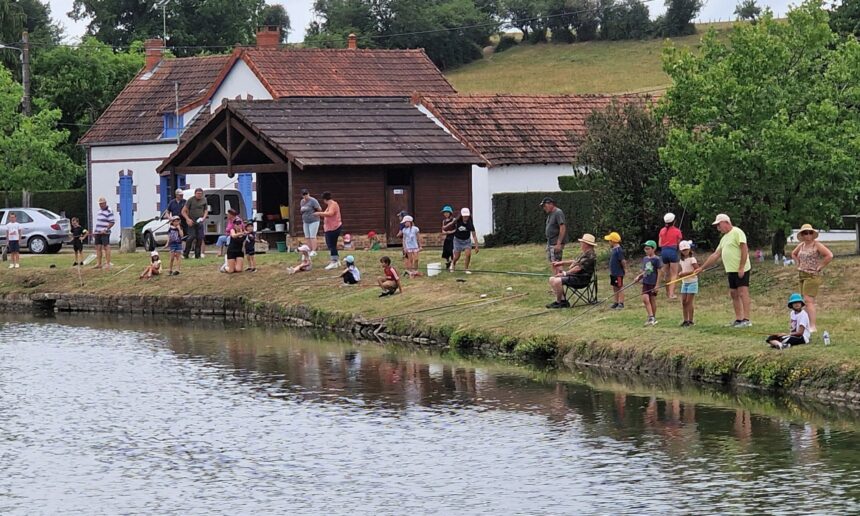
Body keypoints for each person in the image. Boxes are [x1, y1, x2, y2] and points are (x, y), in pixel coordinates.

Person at [695, 213, 752, 328]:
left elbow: (744, 249)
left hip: (741, 269)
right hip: (730, 270)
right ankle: (739, 318)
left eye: (719, 225)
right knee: (733, 293)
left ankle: (746, 319)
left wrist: (741, 267)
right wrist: (702, 268)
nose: (718, 228)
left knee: (742, 292)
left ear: (726, 222)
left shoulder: (737, 232)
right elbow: (716, 254)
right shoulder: (724, 238)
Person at [790, 224, 833, 333]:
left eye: (809, 232)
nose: (808, 235)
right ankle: (805, 324)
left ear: (813, 234)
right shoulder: (801, 245)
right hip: (802, 274)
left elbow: (829, 255)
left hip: (812, 275)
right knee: (803, 300)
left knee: (809, 300)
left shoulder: (816, 245)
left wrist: (820, 266)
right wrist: (798, 264)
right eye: (805, 233)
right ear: (802, 235)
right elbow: (793, 254)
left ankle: (812, 326)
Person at [547, 233, 597, 309]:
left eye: (582, 242)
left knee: (557, 281)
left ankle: (559, 302)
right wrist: (561, 263)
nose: (580, 244)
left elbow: (578, 268)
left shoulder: (590, 256)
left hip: (581, 279)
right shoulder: (585, 253)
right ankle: (563, 301)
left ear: (586, 244)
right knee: (551, 279)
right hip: (576, 276)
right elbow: (574, 261)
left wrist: (564, 273)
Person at [634, 240, 663, 326]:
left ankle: (653, 318)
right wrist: (639, 277)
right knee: (645, 299)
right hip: (645, 282)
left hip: (653, 283)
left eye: (648, 249)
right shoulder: (645, 259)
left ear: (653, 249)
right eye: (645, 249)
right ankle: (651, 317)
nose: (646, 250)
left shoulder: (657, 259)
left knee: (652, 300)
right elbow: (646, 271)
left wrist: (657, 285)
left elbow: (660, 272)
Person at [659, 212, 683, 299]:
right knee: (674, 274)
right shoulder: (677, 231)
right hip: (672, 252)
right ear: (674, 221)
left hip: (663, 252)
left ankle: (667, 292)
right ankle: (671, 294)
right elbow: (678, 244)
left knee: (667, 274)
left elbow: (660, 244)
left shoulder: (662, 230)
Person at [316, 191, 343, 270]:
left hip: (333, 228)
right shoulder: (330, 205)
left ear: (325, 199)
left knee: (331, 245)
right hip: (329, 228)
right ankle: (336, 260)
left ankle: (334, 261)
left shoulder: (333, 204)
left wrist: (319, 213)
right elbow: (326, 213)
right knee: (331, 245)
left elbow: (330, 213)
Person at [541, 197, 567, 274]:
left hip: (555, 243)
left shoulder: (558, 212)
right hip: (550, 243)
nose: (544, 208)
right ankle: (555, 278)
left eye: (545, 206)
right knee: (553, 263)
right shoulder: (550, 214)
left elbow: (562, 227)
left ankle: (559, 280)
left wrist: (558, 243)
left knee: (557, 262)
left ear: (551, 204)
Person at [182, 188, 208, 259]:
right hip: (192, 221)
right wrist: (188, 219)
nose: (199, 195)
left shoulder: (204, 200)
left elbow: (206, 210)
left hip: (199, 221)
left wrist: (204, 218)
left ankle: (197, 255)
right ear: (195, 194)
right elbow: (183, 211)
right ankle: (186, 253)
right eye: (198, 194)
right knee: (191, 237)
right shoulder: (190, 200)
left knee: (200, 238)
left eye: (200, 194)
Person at [677, 240, 699, 327]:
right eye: (683, 250)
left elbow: (696, 271)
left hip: (692, 282)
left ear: (689, 249)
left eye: (686, 249)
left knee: (689, 302)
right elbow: (682, 271)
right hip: (685, 283)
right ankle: (685, 320)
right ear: (680, 251)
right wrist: (680, 274)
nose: (685, 251)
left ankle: (691, 320)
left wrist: (685, 274)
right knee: (683, 302)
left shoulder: (692, 259)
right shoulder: (681, 260)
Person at [450, 208, 478, 272]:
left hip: (466, 241)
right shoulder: (457, 221)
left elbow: (474, 235)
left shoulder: (470, 224)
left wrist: (476, 246)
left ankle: (466, 269)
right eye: (464, 215)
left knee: (468, 254)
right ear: (462, 215)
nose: (466, 217)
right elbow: (451, 224)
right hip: (457, 241)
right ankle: (453, 264)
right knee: (457, 257)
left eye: (467, 216)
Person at [604, 231, 626, 309]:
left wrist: (624, 268)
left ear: (613, 241)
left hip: (618, 273)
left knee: (620, 287)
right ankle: (616, 302)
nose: (608, 242)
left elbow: (622, 261)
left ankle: (621, 302)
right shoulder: (614, 249)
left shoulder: (618, 250)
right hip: (613, 273)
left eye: (609, 241)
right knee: (615, 287)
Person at [93, 196, 115, 269]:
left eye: (102, 203)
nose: (100, 205)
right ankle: (99, 263)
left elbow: (112, 222)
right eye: (99, 204)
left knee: (106, 247)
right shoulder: (99, 211)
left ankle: (108, 263)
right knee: (98, 247)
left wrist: (105, 229)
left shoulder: (109, 211)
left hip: (105, 232)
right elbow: (98, 222)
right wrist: (95, 231)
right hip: (98, 232)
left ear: (105, 203)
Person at [299, 189, 321, 256]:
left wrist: (315, 212)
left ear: (308, 194)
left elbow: (319, 209)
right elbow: (301, 210)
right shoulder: (302, 202)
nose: (306, 196)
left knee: (312, 236)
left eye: (307, 195)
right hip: (305, 221)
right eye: (304, 195)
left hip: (313, 221)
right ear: (302, 196)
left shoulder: (313, 201)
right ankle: (309, 250)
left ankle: (314, 250)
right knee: (307, 236)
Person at [441, 205, 456, 270]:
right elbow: (443, 229)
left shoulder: (454, 220)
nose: (446, 214)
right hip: (447, 237)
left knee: (452, 250)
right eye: (444, 213)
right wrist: (444, 232)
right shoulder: (444, 221)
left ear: (450, 213)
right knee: (446, 250)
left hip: (453, 237)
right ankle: (448, 262)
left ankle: (452, 264)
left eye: (447, 212)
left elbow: (456, 229)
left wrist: (450, 232)